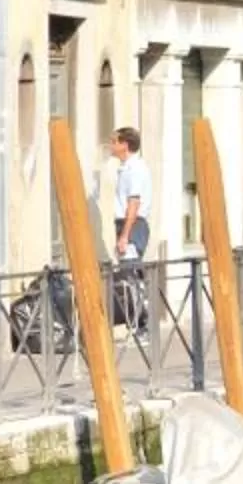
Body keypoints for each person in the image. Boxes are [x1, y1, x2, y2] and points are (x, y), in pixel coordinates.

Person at [107, 128, 152, 334]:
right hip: (128, 224)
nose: (111, 145)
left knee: (131, 274)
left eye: (114, 141)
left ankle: (142, 325)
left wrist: (125, 235)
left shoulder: (134, 169)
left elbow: (133, 202)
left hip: (132, 224)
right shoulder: (126, 168)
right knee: (130, 273)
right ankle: (137, 323)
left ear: (125, 144)